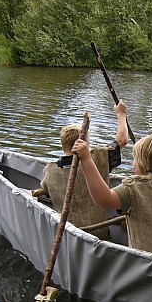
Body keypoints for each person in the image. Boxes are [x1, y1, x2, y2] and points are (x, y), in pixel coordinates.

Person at [73, 134, 152, 261]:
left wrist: (86, 159)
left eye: (135, 159)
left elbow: (104, 199)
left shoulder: (135, 188)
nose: (134, 163)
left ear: (142, 164)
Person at [33, 100, 129, 240]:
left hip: (67, 237)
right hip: (99, 235)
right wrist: (121, 114)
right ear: (84, 142)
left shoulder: (49, 171)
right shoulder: (98, 158)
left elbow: (44, 188)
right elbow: (122, 140)